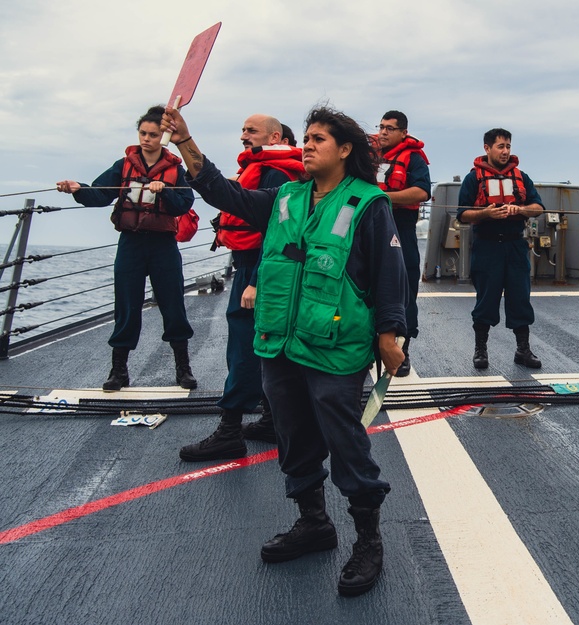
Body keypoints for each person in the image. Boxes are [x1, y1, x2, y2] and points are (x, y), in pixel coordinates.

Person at [162, 104, 406, 598]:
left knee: (346, 440)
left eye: (319, 139)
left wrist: (390, 335)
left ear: (345, 150)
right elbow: (222, 192)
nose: (308, 145)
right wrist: (185, 141)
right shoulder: (284, 198)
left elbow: (389, 274)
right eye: (307, 137)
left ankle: (368, 539)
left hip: (336, 345)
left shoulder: (368, 204)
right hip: (279, 342)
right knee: (292, 437)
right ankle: (314, 523)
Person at [179, 115, 306, 462]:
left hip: (258, 266)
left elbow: (279, 232)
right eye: (243, 130)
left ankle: (230, 429)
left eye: (250, 131)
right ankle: (269, 419)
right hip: (252, 264)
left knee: (244, 347)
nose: (243, 136)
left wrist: (255, 280)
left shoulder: (277, 174)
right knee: (261, 345)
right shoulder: (265, 168)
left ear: (274, 136)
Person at [56, 105, 197, 391]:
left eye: (153, 134)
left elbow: (185, 203)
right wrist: (77, 188)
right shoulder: (123, 166)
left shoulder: (174, 170)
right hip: (131, 243)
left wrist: (165, 193)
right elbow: (99, 194)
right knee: (126, 306)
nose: (146, 139)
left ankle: (183, 368)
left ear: (164, 137)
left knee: (173, 305)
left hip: (163, 246)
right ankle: (119, 371)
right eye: (143, 133)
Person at [457, 128, 544, 370]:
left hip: (515, 245)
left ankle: (523, 350)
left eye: (508, 146)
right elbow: (462, 214)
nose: (505, 151)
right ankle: (481, 350)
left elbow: (538, 207)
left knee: (520, 298)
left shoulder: (521, 177)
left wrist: (522, 210)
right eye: (500, 146)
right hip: (486, 246)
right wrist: (486, 213)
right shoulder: (473, 178)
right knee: (486, 300)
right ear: (487, 148)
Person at [375, 110, 431, 377]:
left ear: (403, 133)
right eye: (381, 127)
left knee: (404, 290)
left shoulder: (414, 159)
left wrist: (384, 197)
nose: (383, 132)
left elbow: (422, 192)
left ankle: (402, 349)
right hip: (371, 229)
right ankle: (370, 346)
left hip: (401, 229)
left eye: (389, 128)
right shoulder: (369, 156)